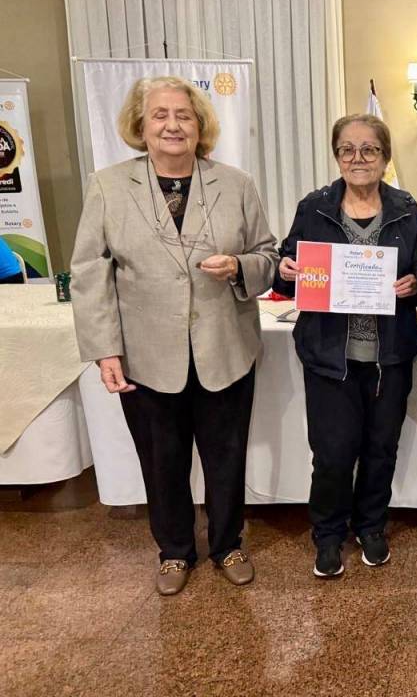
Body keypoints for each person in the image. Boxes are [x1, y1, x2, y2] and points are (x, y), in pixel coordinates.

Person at [71, 76, 278, 595]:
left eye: (183, 115)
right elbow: (90, 271)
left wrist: (239, 266)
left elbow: (268, 256)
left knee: (226, 456)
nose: (172, 125)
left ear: (200, 125)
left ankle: (228, 544)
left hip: (225, 349)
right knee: (161, 461)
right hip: (146, 355)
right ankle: (174, 551)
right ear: (140, 125)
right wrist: (105, 350)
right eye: (160, 115)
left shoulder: (236, 184)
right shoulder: (108, 186)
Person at [273, 113, 417, 578]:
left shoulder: (405, 207)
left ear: (385, 157)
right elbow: (286, 266)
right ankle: (327, 535)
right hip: (330, 356)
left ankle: (371, 526)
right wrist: (286, 270)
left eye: (369, 149)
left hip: (389, 355)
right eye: (347, 149)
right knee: (333, 453)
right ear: (337, 156)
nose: (358, 158)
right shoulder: (314, 207)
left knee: (382, 449)